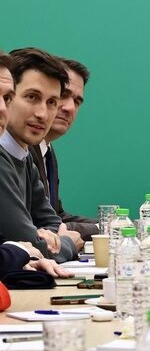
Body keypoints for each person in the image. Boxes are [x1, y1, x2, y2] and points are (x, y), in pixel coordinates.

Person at [0, 47, 81, 262]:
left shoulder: (24, 156)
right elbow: (31, 247)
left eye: (52, 102)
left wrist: (49, 237)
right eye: (32, 97)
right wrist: (67, 243)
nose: (42, 114)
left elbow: (52, 221)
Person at [29, 57, 98, 241]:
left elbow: (55, 215)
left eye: (77, 101)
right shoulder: (22, 150)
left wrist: (107, 225)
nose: (70, 107)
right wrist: (100, 229)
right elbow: (37, 226)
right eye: (63, 95)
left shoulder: (47, 150)